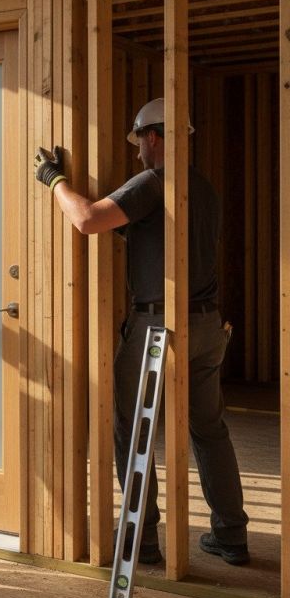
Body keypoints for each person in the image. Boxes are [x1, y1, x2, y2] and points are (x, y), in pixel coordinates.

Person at [33, 97, 249, 566]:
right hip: (207, 326)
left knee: (133, 428)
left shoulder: (152, 181)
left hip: (158, 327)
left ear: (153, 137)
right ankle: (232, 534)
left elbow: (87, 219)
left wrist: (54, 180)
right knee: (209, 429)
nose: (136, 152)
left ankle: (143, 539)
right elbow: (164, 239)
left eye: (139, 143)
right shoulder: (201, 187)